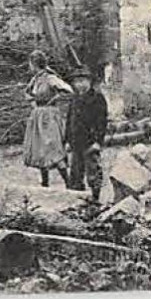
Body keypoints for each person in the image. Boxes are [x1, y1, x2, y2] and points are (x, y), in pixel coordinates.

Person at [21, 51, 71, 187]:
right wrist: (33, 103)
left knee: (53, 147)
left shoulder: (50, 77)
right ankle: (45, 182)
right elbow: (27, 93)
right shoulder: (35, 79)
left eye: (31, 64)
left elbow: (67, 89)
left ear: (34, 64)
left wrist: (55, 98)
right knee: (40, 149)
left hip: (49, 116)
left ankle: (68, 182)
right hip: (38, 116)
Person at [63, 65, 109, 202]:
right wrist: (67, 140)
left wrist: (98, 142)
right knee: (75, 175)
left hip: (90, 143)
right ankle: (78, 201)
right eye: (76, 82)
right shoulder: (74, 99)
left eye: (83, 81)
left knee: (93, 173)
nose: (80, 85)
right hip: (76, 143)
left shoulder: (97, 99)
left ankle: (95, 199)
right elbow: (69, 120)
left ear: (90, 81)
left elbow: (102, 122)